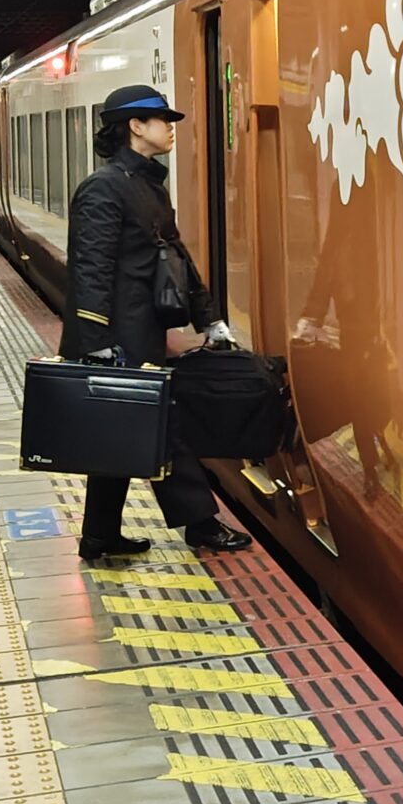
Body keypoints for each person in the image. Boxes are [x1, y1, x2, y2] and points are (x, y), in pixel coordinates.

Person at [60, 83, 251, 561]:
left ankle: (100, 537)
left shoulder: (146, 186)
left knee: (120, 436)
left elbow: (177, 257)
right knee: (164, 429)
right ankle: (202, 525)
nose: (170, 129)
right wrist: (97, 341)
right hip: (118, 340)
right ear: (134, 127)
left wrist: (210, 320)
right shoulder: (103, 189)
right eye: (163, 120)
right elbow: (90, 267)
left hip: (140, 331)